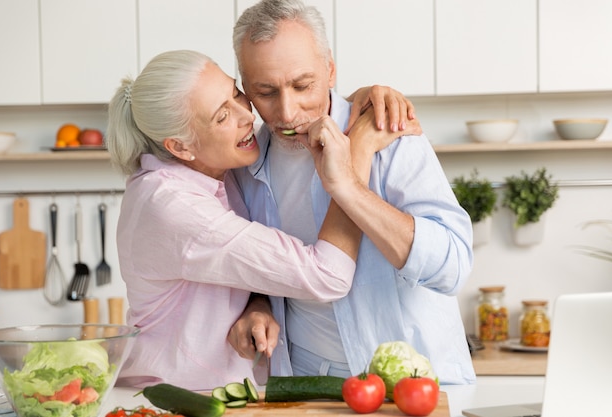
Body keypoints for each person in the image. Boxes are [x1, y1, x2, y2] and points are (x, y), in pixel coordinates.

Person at [105, 49, 412, 390]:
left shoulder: (216, 174)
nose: (247, 116)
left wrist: (257, 302)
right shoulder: (175, 206)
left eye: (237, 94)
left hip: (215, 392)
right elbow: (327, 276)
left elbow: (224, 270)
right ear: (179, 146)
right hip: (175, 399)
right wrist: (358, 150)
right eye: (222, 117)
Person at [229, 0, 476, 385]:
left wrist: (347, 186)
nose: (288, 112)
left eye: (302, 85)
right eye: (266, 92)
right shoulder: (246, 165)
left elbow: (451, 268)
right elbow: (266, 266)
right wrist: (258, 304)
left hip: (412, 385)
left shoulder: (388, 133)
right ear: (245, 89)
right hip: (306, 386)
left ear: (330, 70)